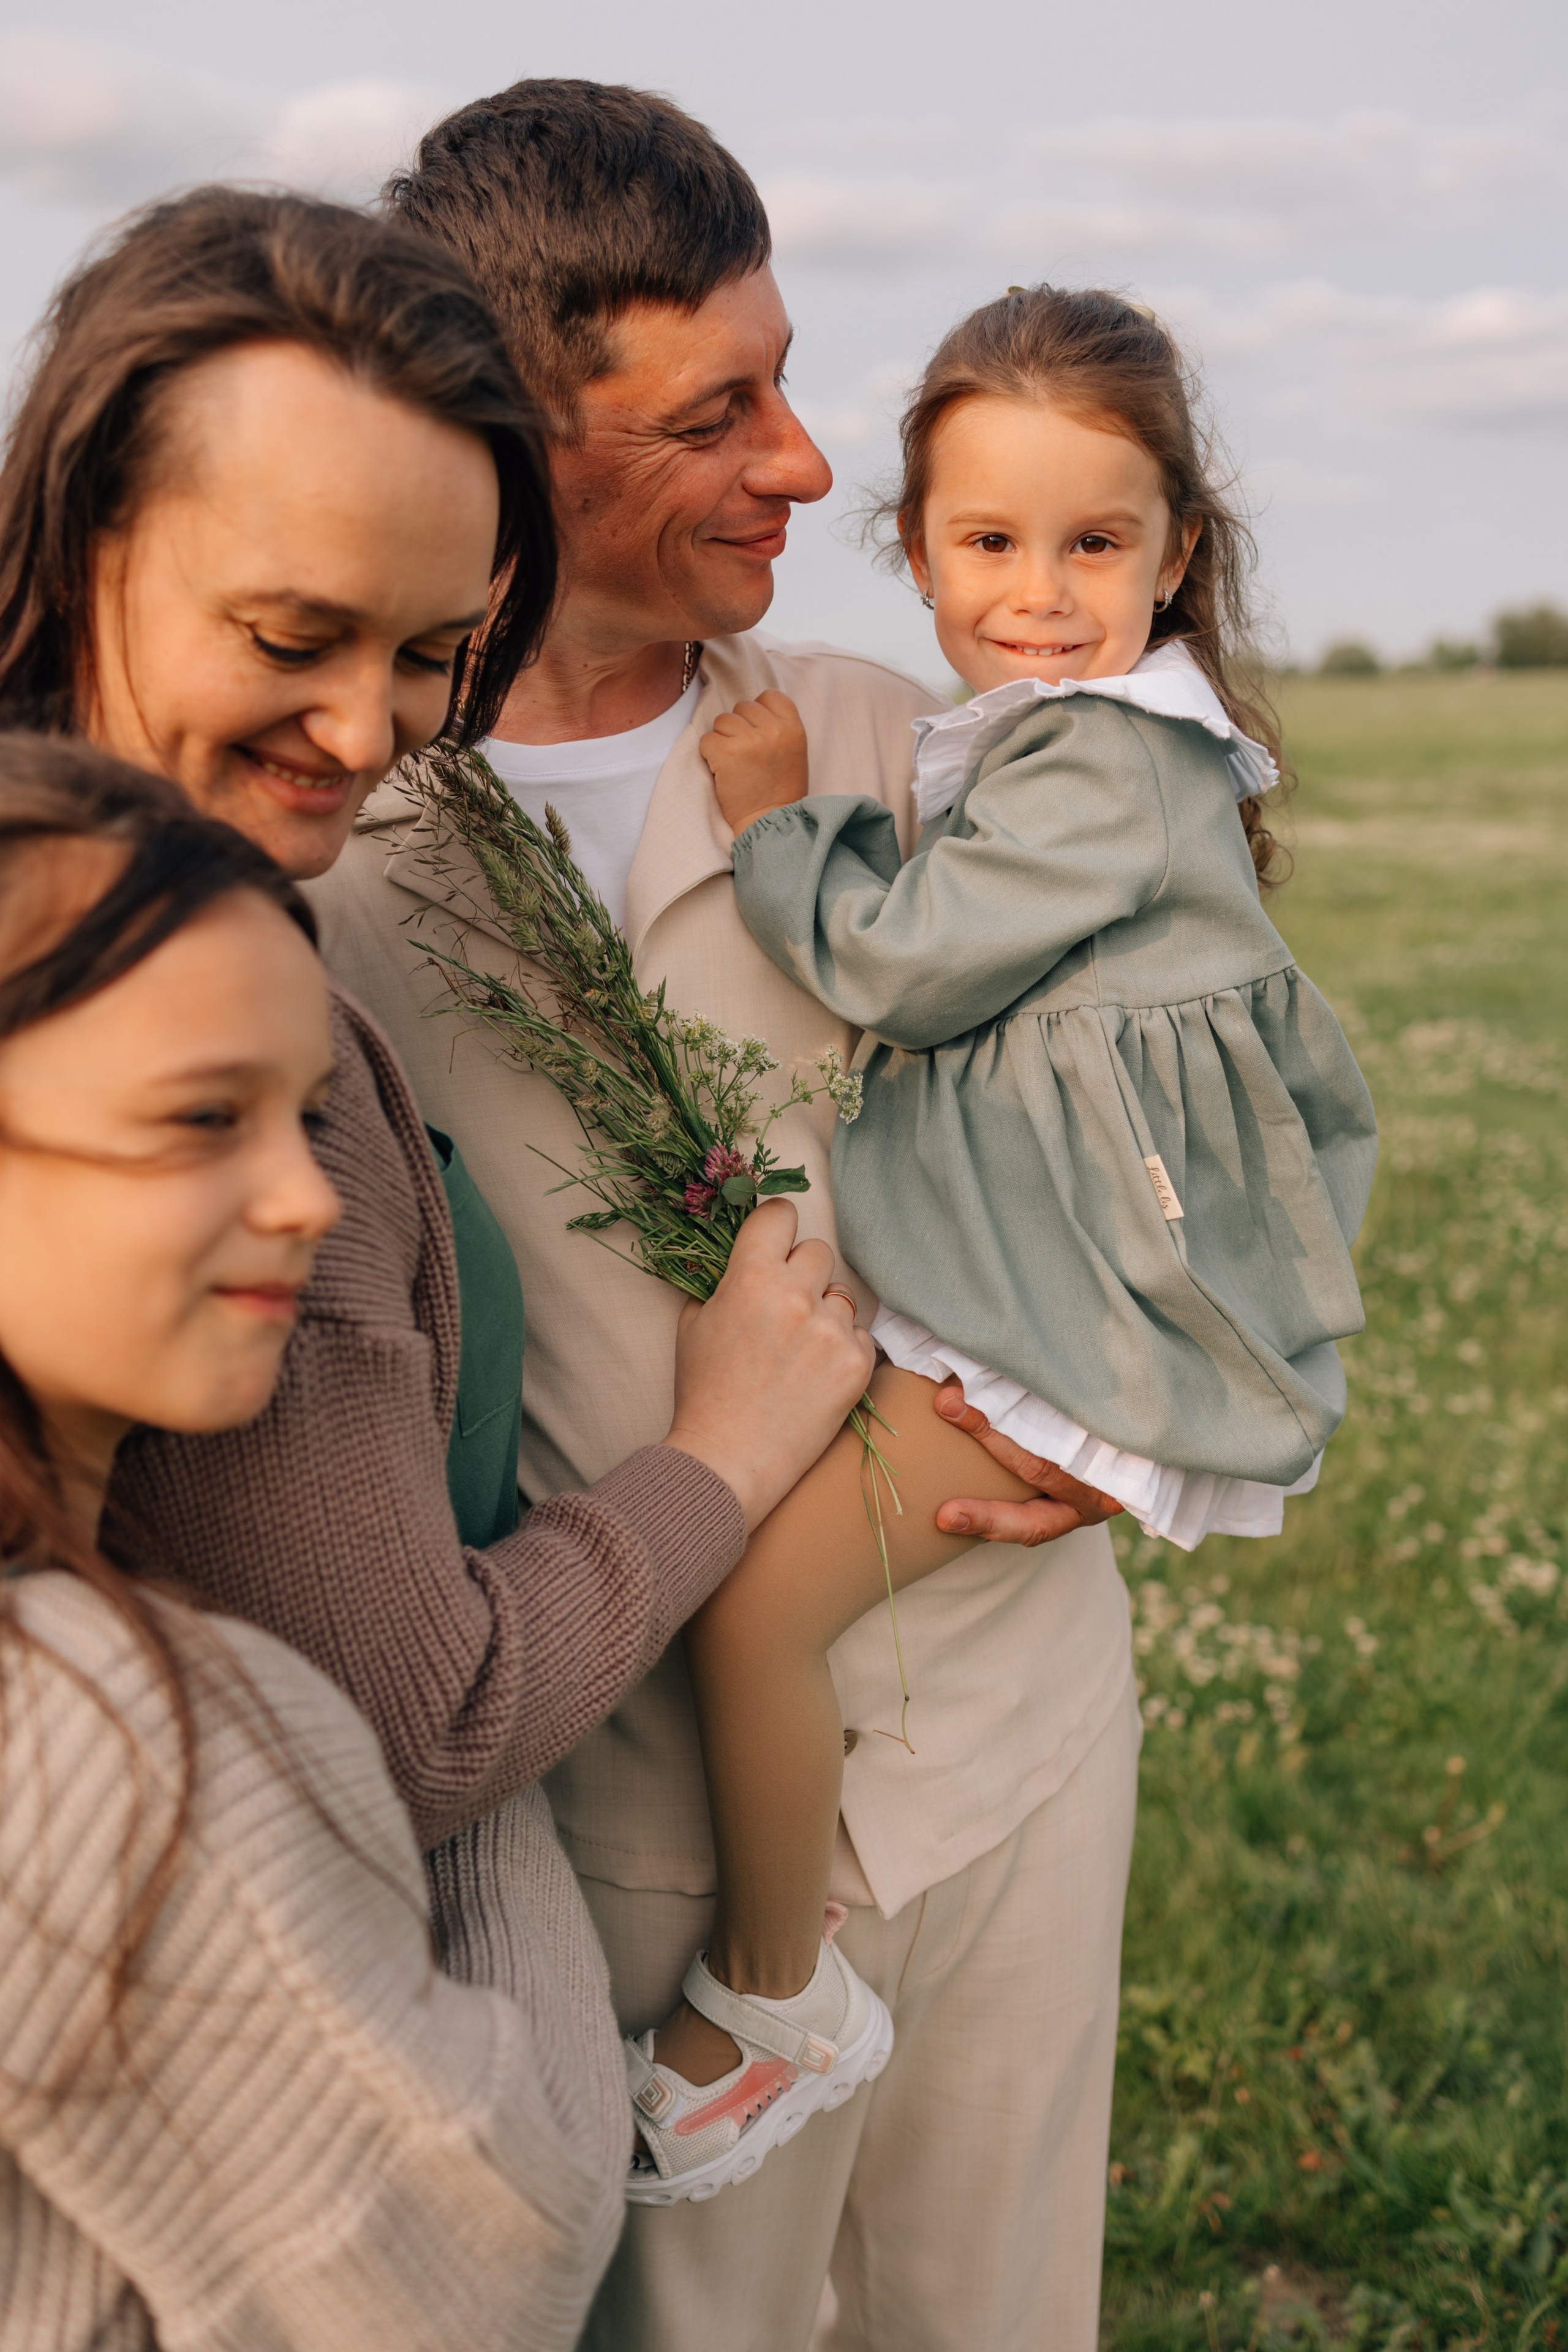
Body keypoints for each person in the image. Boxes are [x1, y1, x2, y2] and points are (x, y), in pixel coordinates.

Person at [0, 184, 878, 2339]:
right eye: (292, 637)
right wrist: (731, 1450)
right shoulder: (144, 1022)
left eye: (422, 655)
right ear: (84, 533)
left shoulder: (198, 903)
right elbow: (423, 1711)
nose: (372, 730)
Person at [312, 81, 1137, 2351]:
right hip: (622, 1838)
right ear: (514, 437)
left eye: (788, 379)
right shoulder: (328, 854)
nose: (803, 465)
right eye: (719, 411)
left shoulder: (907, 745)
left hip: (1014, 1744)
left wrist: (1152, 1384)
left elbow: (1173, 1085)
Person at [622, 284, 1379, 2195]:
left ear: (1176, 553)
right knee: (770, 1599)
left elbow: (905, 964)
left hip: (1055, 1312)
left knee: (754, 1606)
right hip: (1045, 1279)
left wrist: (783, 827)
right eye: (988, 541)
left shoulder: (1107, 762)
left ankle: (764, 2001)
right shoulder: (1079, 737)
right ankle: (781, 1982)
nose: (1039, 590)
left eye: (1096, 543)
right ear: (918, 546)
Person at [0, 733, 625, 2348]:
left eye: (305, 1115)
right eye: (204, 1118)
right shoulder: (116, 1748)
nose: (308, 1199)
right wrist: (461, 1790)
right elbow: (504, 2257)